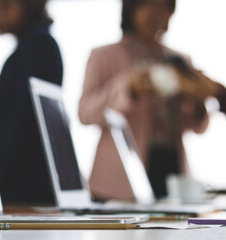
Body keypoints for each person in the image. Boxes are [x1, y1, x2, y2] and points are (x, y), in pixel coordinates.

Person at [79, 0, 214, 201]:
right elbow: (85, 113)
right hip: (118, 180)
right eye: (151, 6)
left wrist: (197, 98)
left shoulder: (180, 60)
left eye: (165, 8)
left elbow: (197, 127)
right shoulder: (103, 55)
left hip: (171, 172)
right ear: (132, 8)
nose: (159, 14)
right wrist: (128, 88)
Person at [0, 0, 63, 206]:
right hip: (22, 186)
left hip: (25, 191)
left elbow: (23, 125)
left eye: (4, 7)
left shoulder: (41, 47)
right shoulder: (28, 48)